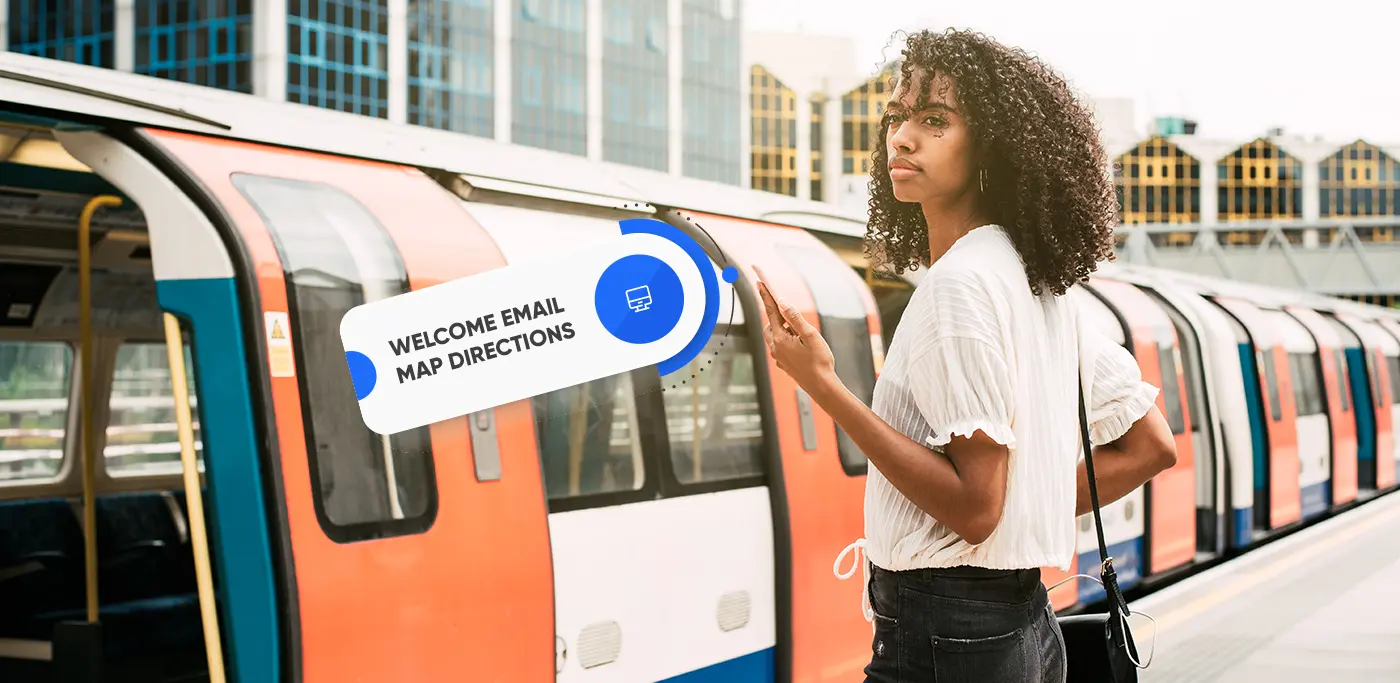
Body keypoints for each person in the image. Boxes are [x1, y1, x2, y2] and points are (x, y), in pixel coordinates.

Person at [752, 28, 1178, 683]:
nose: (900, 137)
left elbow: (975, 507)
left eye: (934, 120)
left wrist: (824, 386)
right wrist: (1020, 511)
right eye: (895, 117)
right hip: (1024, 622)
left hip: (944, 634)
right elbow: (1153, 442)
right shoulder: (1035, 279)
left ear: (991, 148)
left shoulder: (960, 286)